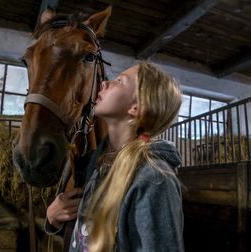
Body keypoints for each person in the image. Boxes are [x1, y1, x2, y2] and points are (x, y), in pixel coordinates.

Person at [46, 61, 184, 252]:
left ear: (135, 107)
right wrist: (53, 218)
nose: (104, 83)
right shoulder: (97, 164)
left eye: (119, 81)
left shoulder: (154, 179)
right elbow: (86, 237)